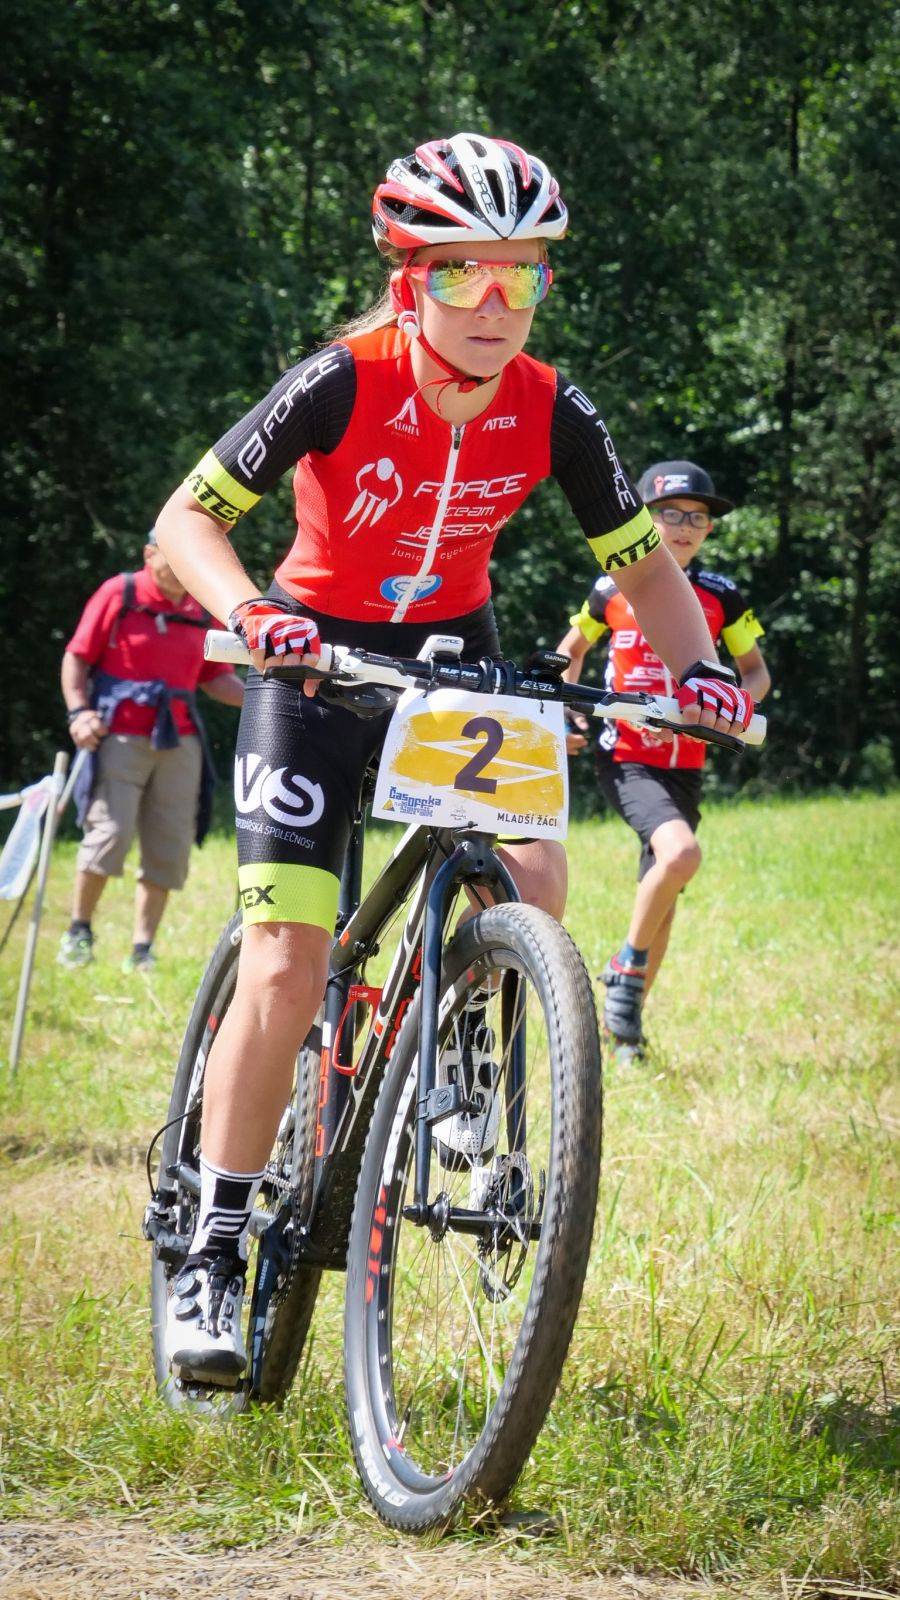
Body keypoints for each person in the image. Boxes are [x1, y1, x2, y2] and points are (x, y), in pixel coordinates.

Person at [153, 134, 755, 1383]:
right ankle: (212, 1244)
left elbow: (645, 567)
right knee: (289, 960)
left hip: (452, 660)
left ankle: (467, 1056)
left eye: (520, 275)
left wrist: (698, 666)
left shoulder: (553, 406)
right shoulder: (341, 378)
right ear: (408, 277)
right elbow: (186, 522)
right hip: (312, 660)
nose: (493, 301)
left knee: (536, 876)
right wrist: (251, 610)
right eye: (461, 273)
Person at [557, 459, 771, 1055]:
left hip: (687, 764)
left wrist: (735, 705)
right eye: (671, 514)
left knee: (665, 896)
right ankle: (624, 968)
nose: (684, 526)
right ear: (646, 519)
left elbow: (755, 672)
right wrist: (569, 712)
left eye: (697, 518)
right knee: (681, 854)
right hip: (625, 756)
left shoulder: (722, 595)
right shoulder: (612, 587)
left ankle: (625, 1032)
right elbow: (570, 651)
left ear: (709, 529)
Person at [59, 528, 244, 972]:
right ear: (149, 553)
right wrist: (78, 713)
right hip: (118, 735)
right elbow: (77, 656)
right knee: (110, 834)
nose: (181, 565)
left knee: (168, 845)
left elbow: (215, 677)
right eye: (172, 554)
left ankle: (142, 950)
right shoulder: (120, 592)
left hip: (179, 739)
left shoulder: (201, 607)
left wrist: (264, 698)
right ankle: (79, 932)